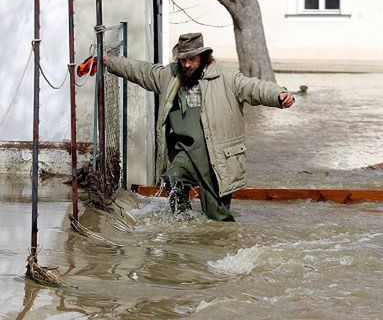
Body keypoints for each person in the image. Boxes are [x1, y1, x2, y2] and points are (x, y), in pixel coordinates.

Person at [104, 32, 294, 222]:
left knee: (217, 218)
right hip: (186, 153)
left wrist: (279, 95)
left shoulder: (226, 78)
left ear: (203, 57)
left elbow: (255, 87)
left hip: (218, 158)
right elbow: (140, 70)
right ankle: (185, 226)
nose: (186, 65)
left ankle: (222, 245)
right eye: (182, 60)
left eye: (192, 59)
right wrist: (108, 61)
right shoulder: (169, 76)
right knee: (172, 178)